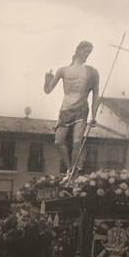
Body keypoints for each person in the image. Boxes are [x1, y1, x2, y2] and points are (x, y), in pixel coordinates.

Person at [44, 40, 100, 177]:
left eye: (89, 52)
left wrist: (94, 115)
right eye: (86, 51)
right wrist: (47, 79)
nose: (87, 54)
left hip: (81, 109)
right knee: (58, 141)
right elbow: (48, 90)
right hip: (66, 109)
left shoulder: (92, 71)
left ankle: (74, 172)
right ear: (78, 50)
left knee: (76, 142)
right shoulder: (63, 70)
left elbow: (96, 94)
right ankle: (69, 168)